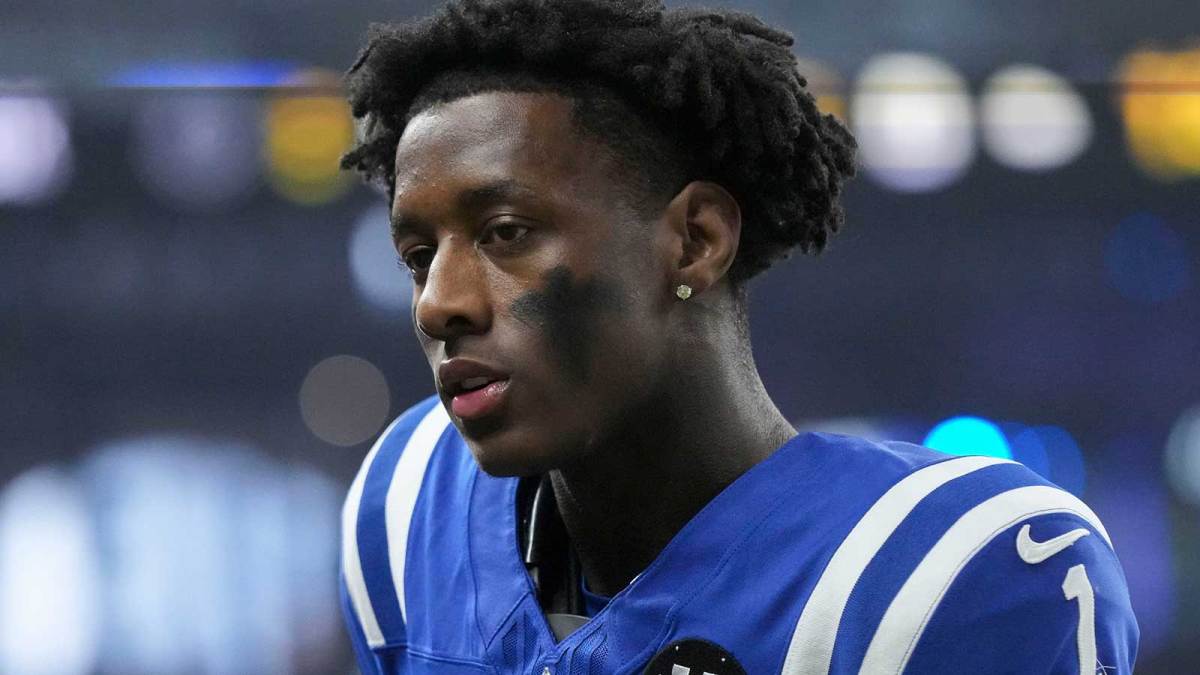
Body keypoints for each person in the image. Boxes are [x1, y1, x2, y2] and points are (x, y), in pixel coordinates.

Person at [336, 1, 1139, 673]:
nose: (437, 303)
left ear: (696, 238)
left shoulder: (959, 574)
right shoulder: (408, 511)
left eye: (506, 232)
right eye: (417, 256)